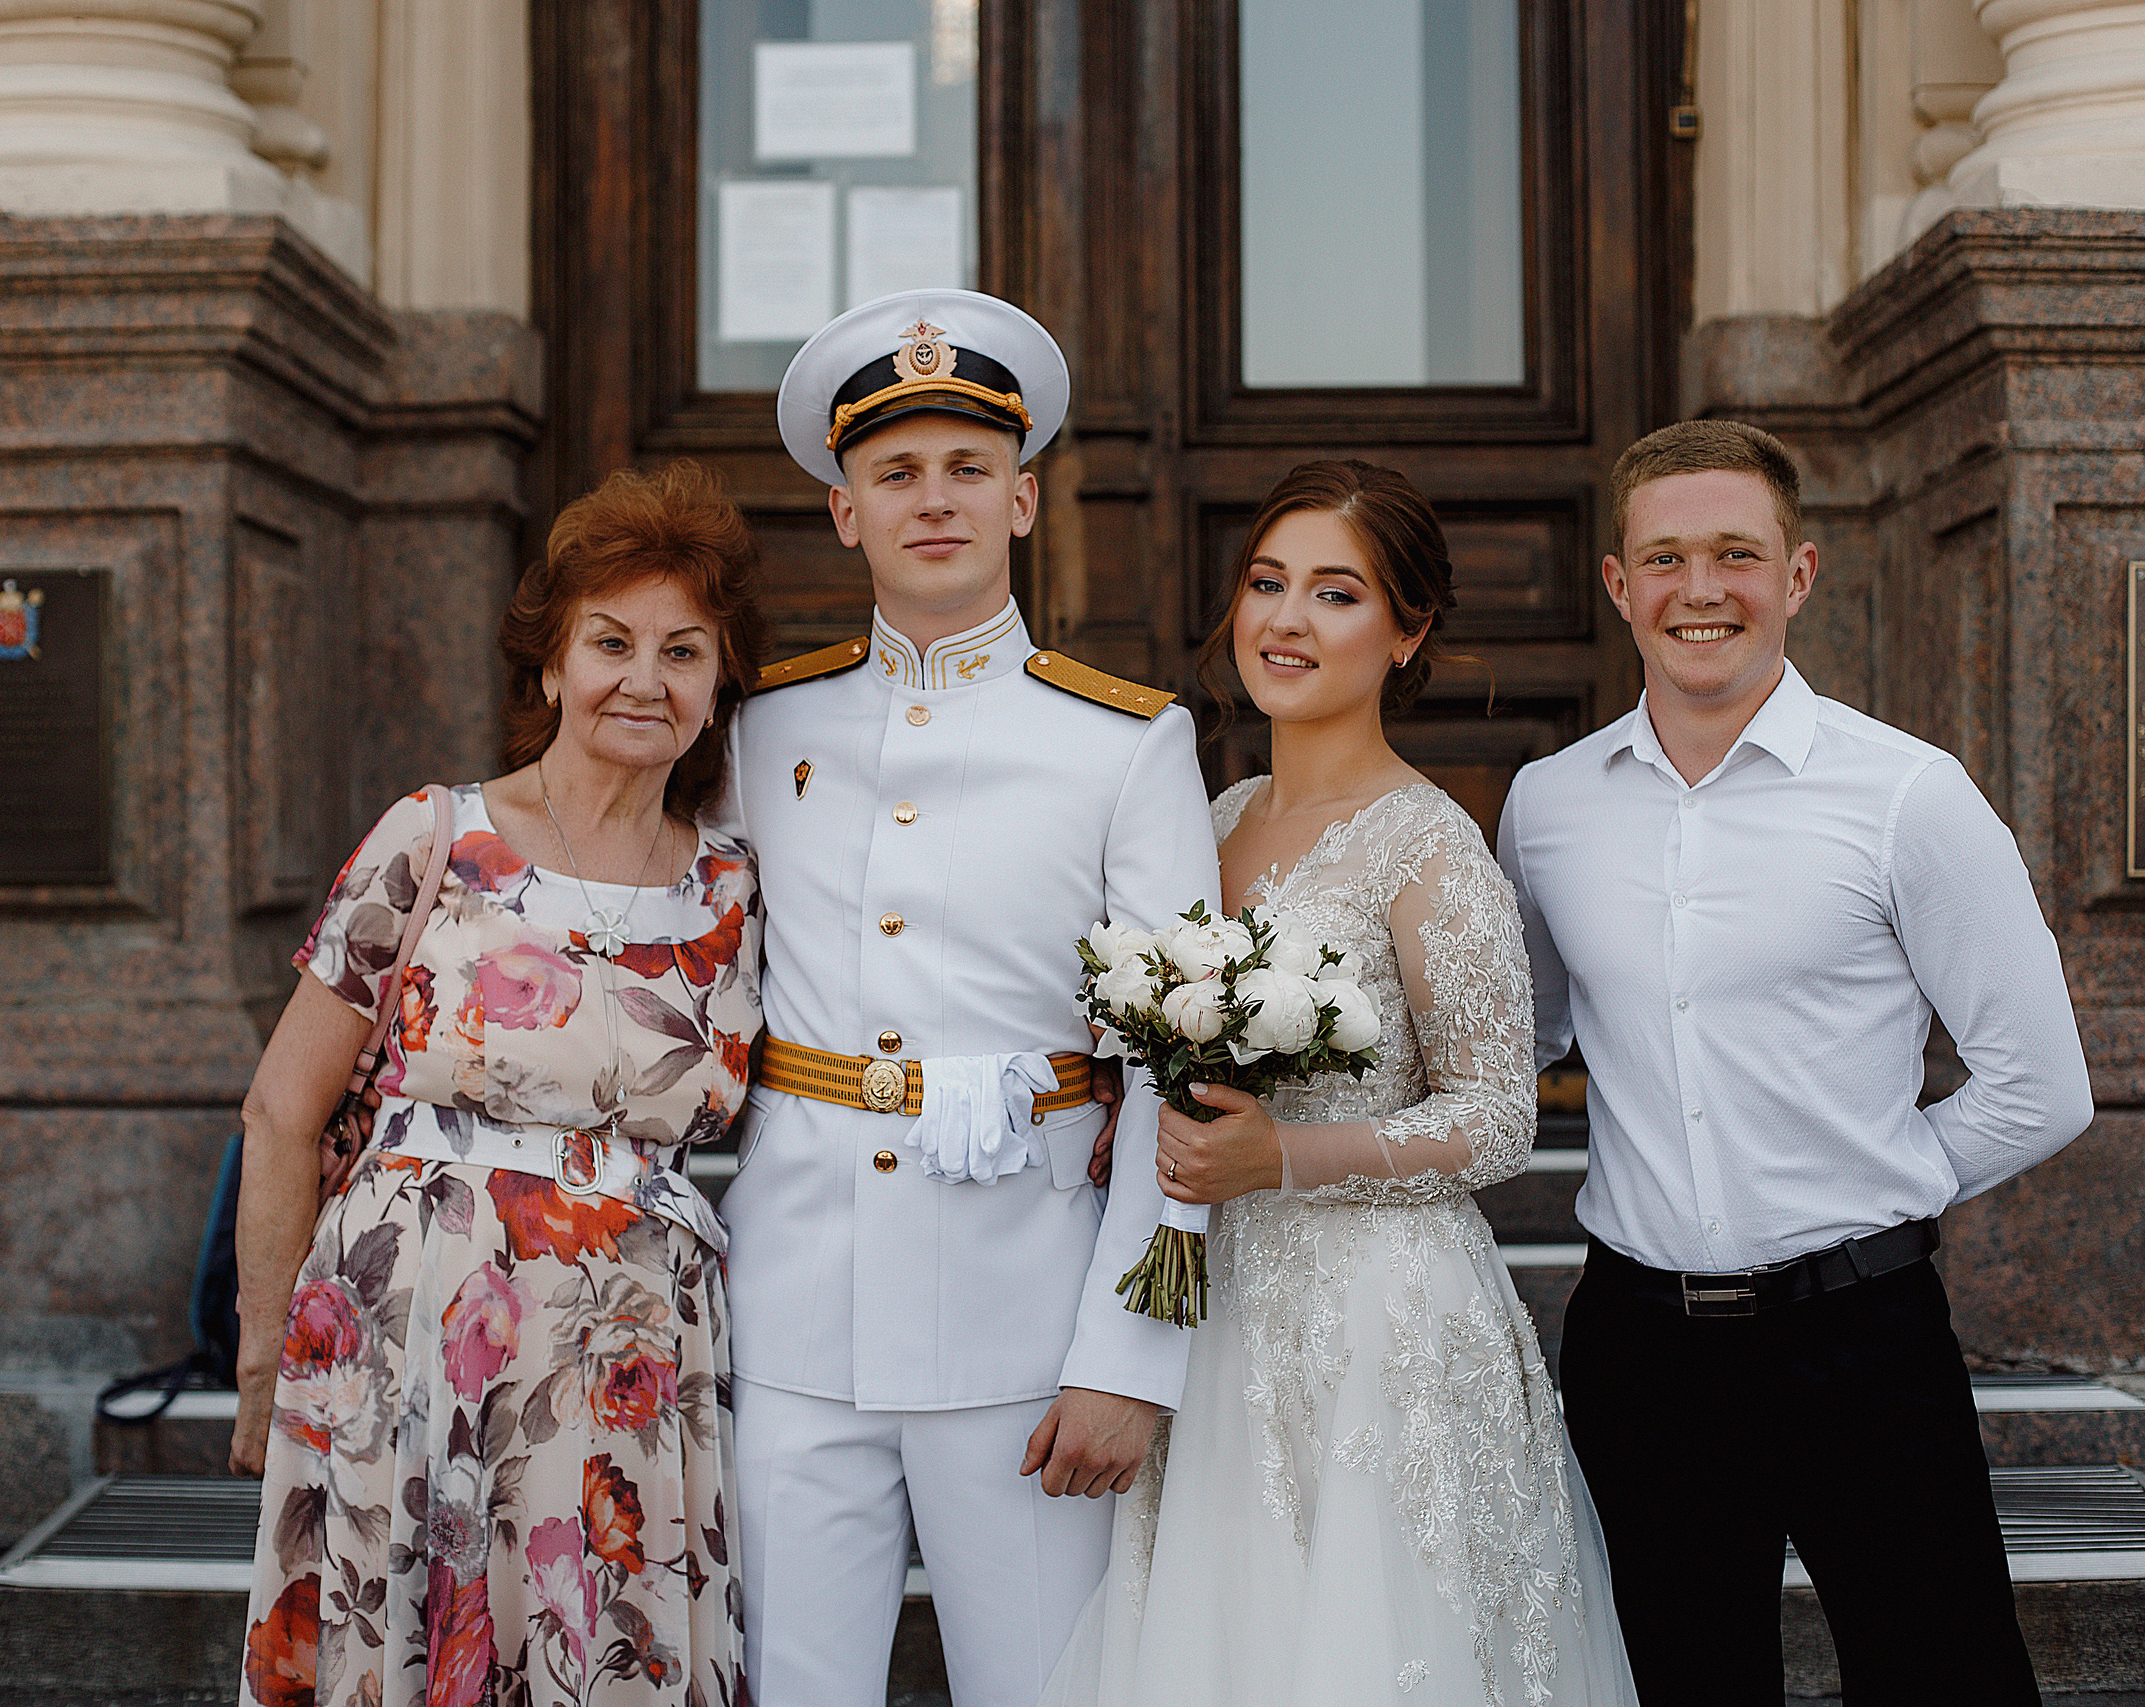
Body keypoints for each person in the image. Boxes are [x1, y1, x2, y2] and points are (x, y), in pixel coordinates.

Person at [1498, 419, 2094, 1706]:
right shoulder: (1548, 805)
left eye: (1735, 554)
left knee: (1941, 1675)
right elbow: (1525, 1038)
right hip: (1637, 1348)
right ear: (1617, 585)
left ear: (1799, 574)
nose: (1699, 589)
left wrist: (1869, 1187)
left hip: (1859, 1338)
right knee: (1680, 1679)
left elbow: (2042, 1086)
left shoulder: (1906, 796)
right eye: (1663, 558)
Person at [1039, 459, 1639, 1707]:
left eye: (1334, 593)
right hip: (1214, 1314)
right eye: (1267, 584)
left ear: (1406, 630)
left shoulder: (1430, 846)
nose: (1285, 621)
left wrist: (1285, 1156)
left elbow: (1497, 1120)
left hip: (1382, 1325)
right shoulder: (1210, 819)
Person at [713, 289, 1220, 1707]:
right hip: (801, 1303)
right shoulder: (763, 726)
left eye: (966, 469)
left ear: (1023, 498)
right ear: (844, 510)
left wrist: (1130, 1355)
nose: (933, 499)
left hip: (1029, 1319)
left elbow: (1182, 1069)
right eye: (895, 472)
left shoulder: (1127, 742)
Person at [229, 462, 769, 1707]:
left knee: (597, 1644)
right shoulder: (433, 835)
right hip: (407, 1322)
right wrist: (263, 1354)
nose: (645, 678)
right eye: (611, 642)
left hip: (630, 1341)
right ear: (548, 667)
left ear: (718, 683)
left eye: (683, 651)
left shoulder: (734, 889)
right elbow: (280, 1109)